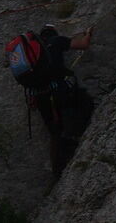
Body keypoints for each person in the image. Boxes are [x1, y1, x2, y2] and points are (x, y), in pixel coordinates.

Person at [34, 24, 93, 178]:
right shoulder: (57, 40)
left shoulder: (35, 51)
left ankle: (57, 171)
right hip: (58, 91)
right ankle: (74, 143)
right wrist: (88, 33)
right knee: (83, 104)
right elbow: (83, 45)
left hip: (40, 96)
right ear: (53, 32)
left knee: (54, 132)